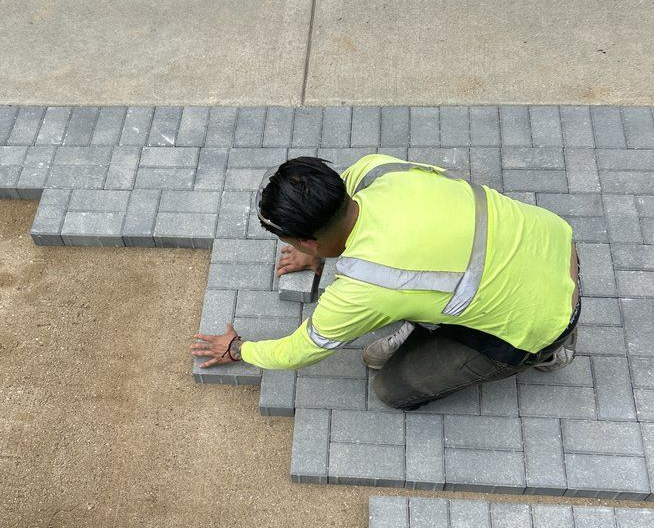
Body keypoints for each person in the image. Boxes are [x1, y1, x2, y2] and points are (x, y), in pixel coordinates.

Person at [190, 155, 581, 410]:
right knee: (425, 290)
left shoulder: (365, 287)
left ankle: (550, 352)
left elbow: (301, 350)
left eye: (292, 241)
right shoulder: (376, 171)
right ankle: (430, 318)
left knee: (392, 390)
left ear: (306, 239)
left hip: (543, 317)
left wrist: (240, 349)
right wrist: (316, 250)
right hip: (553, 239)